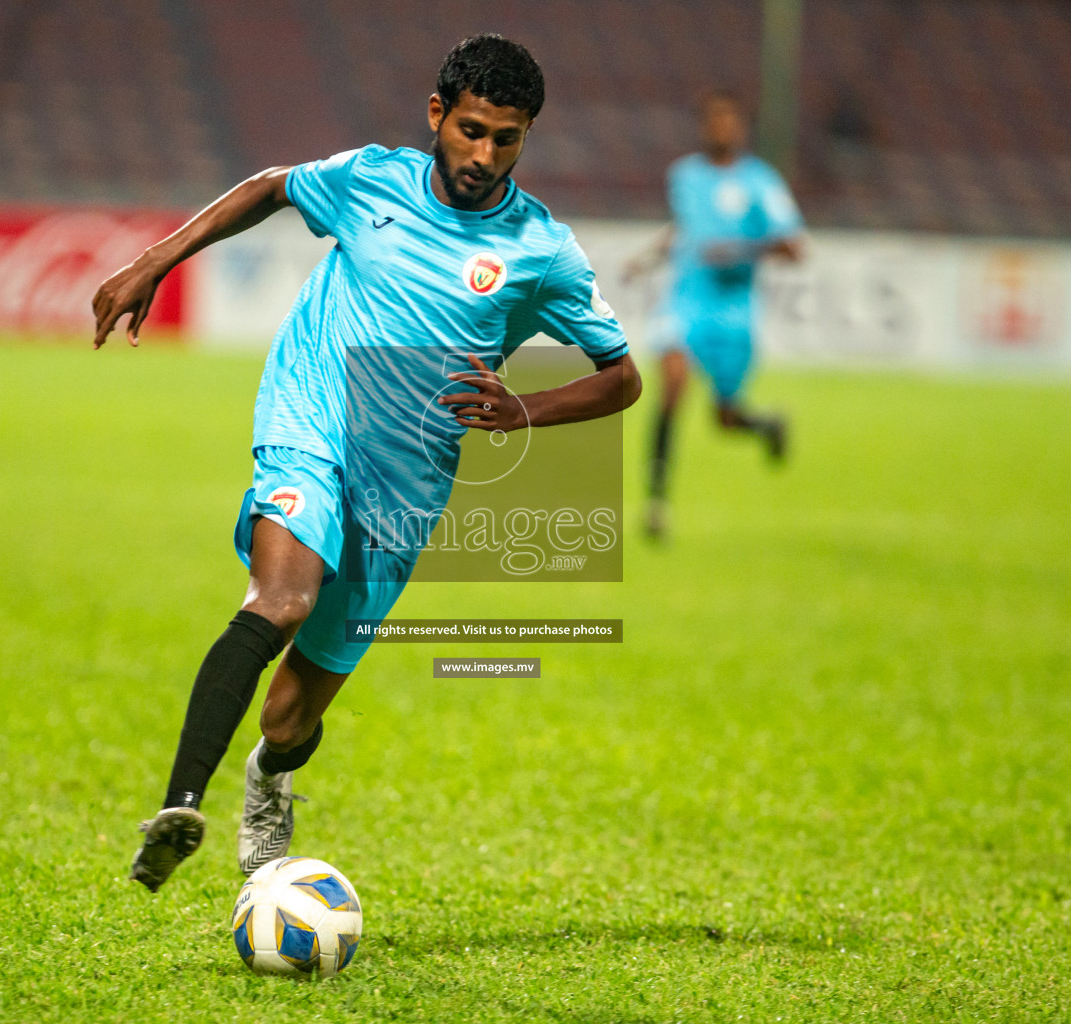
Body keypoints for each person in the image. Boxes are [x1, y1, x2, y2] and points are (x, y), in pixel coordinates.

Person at [91, 34, 641, 892]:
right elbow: (272, 187)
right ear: (437, 115)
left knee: (288, 717)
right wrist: (153, 260)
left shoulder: (542, 250)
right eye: (471, 130)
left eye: (507, 138)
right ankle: (179, 809)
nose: (484, 154)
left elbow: (622, 379)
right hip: (309, 417)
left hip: (407, 483)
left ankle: (270, 781)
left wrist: (521, 409)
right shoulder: (372, 181)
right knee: (280, 600)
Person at [624, 90, 805, 540]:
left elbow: (794, 246)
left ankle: (766, 426)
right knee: (673, 383)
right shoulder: (683, 176)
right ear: (705, 127)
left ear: (740, 129)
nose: (722, 129)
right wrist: (646, 258)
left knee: (725, 419)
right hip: (686, 302)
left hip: (734, 312)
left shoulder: (761, 182)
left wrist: (741, 250)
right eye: (714, 121)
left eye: (730, 121)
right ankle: (656, 505)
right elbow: (686, 228)